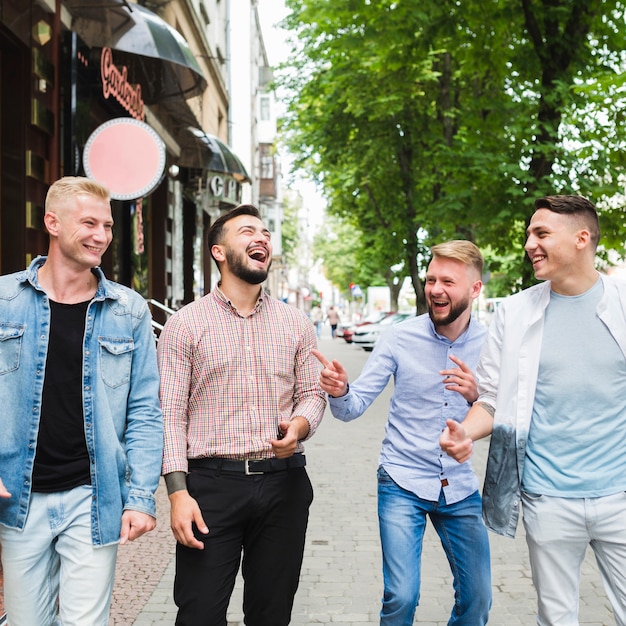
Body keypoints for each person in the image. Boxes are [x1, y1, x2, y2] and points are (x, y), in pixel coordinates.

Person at [441, 195, 626, 625]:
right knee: (556, 618)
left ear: (582, 238)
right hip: (547, 497)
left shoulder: (621, 303)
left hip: (619, 494)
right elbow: (490, 398)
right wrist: (464, 433)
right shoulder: (515, 311)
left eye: (541, 233)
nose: (529, 243)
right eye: (528, 234)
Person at [0, 176, 163, 625]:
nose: (102, 236)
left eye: (108, 226)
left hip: (94, 496)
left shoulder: (129, 311)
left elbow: (146, 412)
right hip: (19, 496)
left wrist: (141, 497)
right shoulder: (4, 300)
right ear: (52, 222)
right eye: (89, 223)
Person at [158, 204, 326, 626]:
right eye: (248, 231)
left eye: (266, 233)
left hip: (284, 485)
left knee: (272, 615)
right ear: (219, 251)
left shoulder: (296, 323)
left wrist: (300, 425)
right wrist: (178, 494)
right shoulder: (186, 324)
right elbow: (170, 415)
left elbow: (312, 393)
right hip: (211, 488)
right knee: (199, 614)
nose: (262, 238)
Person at [314, 240, 491, 626]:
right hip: (402, 480)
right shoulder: (399, 337)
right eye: (431, 279)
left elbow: (504, 415)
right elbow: (355, 405)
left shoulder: (491, 345)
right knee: (401, 597)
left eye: (448, 281)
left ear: (475, 289)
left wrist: (478, 396)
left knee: (478, 600)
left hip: (459, 487)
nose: (436, 289)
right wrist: (342, 390)